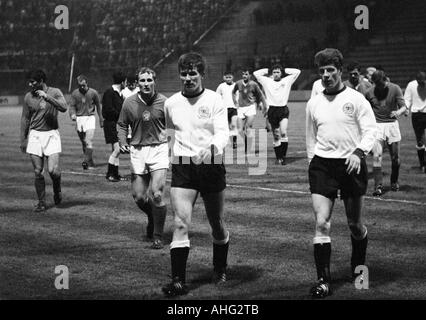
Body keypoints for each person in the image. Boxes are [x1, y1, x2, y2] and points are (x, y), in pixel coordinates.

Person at [306, 48, 377, 298]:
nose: (326, 75)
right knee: (321, 223)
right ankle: (323, 281)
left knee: (354, 224)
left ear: (340, 71)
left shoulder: (356, 99)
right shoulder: (313, 103)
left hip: (351, 165)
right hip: (323, 166)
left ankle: (359, 271)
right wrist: (312, 161)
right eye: (322, 71)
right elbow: (310, 137)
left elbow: (371, 130)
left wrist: (359, 153)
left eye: (330, 70)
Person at [162, 52, 230, 297]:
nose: (188, 78)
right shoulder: (171, 103)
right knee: (180, 222)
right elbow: (171, 132)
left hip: (211, 164)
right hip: (183, 167)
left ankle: (220, 267)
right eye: (184, 73)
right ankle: (178, 281)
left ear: (202, 74)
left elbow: (223, 132)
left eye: (193, 73)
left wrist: (212, 149)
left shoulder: (214, 100)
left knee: (217, 224)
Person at [117, 67, 168, 249]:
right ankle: (152, 216)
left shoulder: (164, 102)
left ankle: (158, 235)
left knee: (157, 193)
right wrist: (122, 140)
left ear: (154, 81)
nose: (146, 84)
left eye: (149, 80)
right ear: (137, 83)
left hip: (159, 149)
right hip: (138, 151)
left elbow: (173, 127)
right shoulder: (129, 103)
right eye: (142, 81)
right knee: (139, 196)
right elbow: (122, 124)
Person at [20, 69, 68, 212]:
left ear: (41, 81)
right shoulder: (28, 97)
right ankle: (41, 202)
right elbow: (25, 118)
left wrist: (46, 97)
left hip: (51, 134)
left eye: (33, 81)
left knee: (53, 170)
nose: (30, 84)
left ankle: (57, 189)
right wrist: (23, 139)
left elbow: (64, 107)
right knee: (38, 171)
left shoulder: (55, 92)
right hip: (35, 135)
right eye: (29, 81)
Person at [365, 70, 408, 196]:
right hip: (377, 126)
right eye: (377, 85)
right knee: (377, 156)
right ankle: (378, 186)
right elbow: (364, 109)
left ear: (386, 80)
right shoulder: (369, 92)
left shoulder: (395, 88)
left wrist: (398, 112)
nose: (379, 87)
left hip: (392, 125)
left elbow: (404, 106)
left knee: (395, 158)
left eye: (381, 84)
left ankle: (394, 181)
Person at [253, 64, 301, 165]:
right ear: (272, 73)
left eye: (278, 72)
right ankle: (279, 157)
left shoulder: (287, 80)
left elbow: (297, 71)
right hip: (272, 110)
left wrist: (285, 69)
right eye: (274, 72)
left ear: (281, 73)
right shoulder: (267, 81)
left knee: (283, 132)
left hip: (283, 109)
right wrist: (267, 69)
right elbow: (256, 73)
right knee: (276, 135)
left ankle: (283, 157)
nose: (276, 74)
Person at [69, 75, 103, 170]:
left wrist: (101, 119)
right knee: (84, 143)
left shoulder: (93, 93)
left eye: (83, 85)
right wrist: (72, 114)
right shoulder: (75, 93)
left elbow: (98, 107)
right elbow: (71, 106)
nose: (82, 87)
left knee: (88, 141)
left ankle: (86, 162)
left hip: (90, 118)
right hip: (79, 119)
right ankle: (90, 161)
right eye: (80, 86)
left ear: (87, 83)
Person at [232, 68, 268, 154]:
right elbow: (233, 92)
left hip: (250, 107)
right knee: (240, 130)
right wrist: (235, 102)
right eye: (243, 74)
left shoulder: (254, 84)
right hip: (241, 108)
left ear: (250, 75)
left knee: (248, 128)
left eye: (246, 74)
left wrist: (264, 106)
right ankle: (246, 144)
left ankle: (248, 148)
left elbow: (261, 95)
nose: (244, 76)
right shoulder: (238, 83)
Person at [102, 71, 127, 182]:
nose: (126, 84)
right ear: (122, 82)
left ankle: (115, 174)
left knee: (116, 150)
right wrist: (121, 115)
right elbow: (107, 110)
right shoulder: (110, 92)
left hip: (116, 124)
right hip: (111, 124)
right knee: (117, 149)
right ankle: (110, 173)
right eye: (125, 82)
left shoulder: (119, 94)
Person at [404, 71, 426, 173]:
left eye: (423, 82)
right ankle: (422, 164)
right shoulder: (411, 85)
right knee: (420, 140)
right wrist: (406, 108)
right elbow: (407, 99)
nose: (421, 84)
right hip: (417, 115)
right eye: (419, 82)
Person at [216, 71, 238, 149]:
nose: (228, 79)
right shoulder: (221, 86)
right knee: (226, 127)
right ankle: (225, 142)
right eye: (226, 77)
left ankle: (234, 141)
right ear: (224, 77)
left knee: (233, 125)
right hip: (224, 109)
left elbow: (239, 96)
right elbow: (217, 97)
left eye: (230, 77)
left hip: (234, 108)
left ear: (233, 77)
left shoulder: (236, 85)